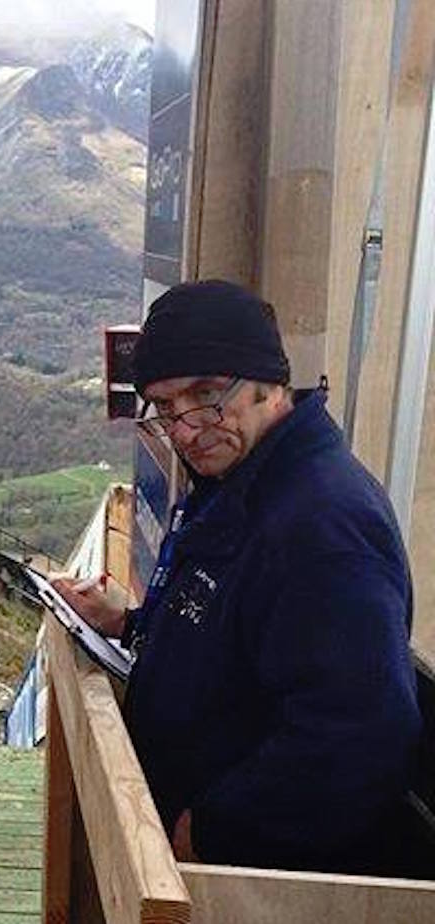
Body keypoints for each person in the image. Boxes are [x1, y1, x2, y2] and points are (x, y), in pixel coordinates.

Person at [52, 280, 420, 874]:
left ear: (268, 382)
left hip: (252, 881)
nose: (186, 429)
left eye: (206, 395)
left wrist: (213, 830)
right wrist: (128, 623)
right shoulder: (237, 483)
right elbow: (235, 633)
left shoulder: (323, 524)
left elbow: (360, 730)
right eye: (165, 408)